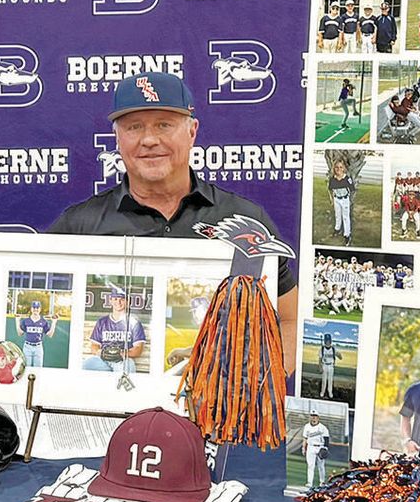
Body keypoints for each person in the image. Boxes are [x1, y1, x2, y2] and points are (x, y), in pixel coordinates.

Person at [48, 72, 298, 373]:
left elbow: (290, 319)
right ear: (117, 138)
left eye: (164, 125)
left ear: (192, 131)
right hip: (108, 415)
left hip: (213, 417)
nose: (149, 139)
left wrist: (256, 390)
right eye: (134, 127)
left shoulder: (245, 222)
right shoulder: (78, 226)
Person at [83, 286, 146, 373]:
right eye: (115, 299)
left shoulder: (134, 323)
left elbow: (138, 349)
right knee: (87, 365)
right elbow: (94, 346)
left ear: (128, 302)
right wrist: (101, 353)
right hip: (104, 360)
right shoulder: (102, 322)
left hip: (122, 360)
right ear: (111, 300)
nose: (118, 302)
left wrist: (120, 353)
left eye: (122, 299)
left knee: (127, 368)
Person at [16, 299, 56, 368]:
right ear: (31, 309)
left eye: (37, 308)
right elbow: (20, 333)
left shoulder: (43, 321)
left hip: (38, 347)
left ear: (40, 309)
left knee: (38, 370)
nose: (35, 309)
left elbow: (50, 334)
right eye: (34, 307)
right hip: (27, 347)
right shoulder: (26, 321)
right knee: (26, 368)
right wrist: (17, 321)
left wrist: (54, 323)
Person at [329, 157, 355, 246]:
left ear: (344, 168)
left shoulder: (347, 179)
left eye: (341, 167)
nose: (338, 169)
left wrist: (349, 200)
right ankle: (337, 228)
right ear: (334, 168)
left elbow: (352, 190)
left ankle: (347, 234)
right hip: (337, 200)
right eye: (336, 167)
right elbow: (331, 190)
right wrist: (332, 200)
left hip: (344, 199)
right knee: (337, 215)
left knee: (345, 217)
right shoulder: (333, 179)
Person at [301, 410, 329, 489]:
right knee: (310, 466)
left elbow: (326, 438)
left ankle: (322, 482)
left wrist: (325, 448)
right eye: (312, 416)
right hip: (310, 447)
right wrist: (304, 447)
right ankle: (309, 483)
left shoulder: (322, 427)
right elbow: (305, 438)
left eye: (315, 416)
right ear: (310, 417)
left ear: (318, 418)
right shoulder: (307, 426)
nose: (314, 418)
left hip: (320, 447)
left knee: (321, 466)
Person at [319, 333, 339, 399]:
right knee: (324, 380)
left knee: (330, 380)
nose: (328, 342)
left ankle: (330, 392)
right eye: (326, 341)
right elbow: (320, 359)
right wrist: (320, 367)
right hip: (324, 365)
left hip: (331, 366)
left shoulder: (333, 349)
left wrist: (338, 354)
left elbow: (340, 357)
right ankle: (322, 392)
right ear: (325, 341)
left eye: (329, 341)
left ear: (331, 341)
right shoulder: (322, 349)